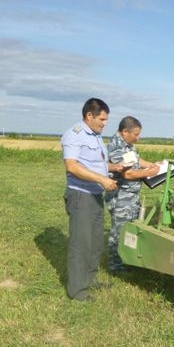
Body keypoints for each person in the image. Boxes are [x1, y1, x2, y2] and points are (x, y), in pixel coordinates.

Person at [61, 98, 126, 302]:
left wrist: (114, 168)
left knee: (95, 242)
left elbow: (96, 163)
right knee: (81, 244)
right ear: (89, 115)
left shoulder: (96, 136)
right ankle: (77, 291)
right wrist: (101, 179)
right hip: (81, 195)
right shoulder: (75, 134)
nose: (105, 123)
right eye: (102, 119)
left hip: (95, 195)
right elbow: (71, 166)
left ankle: (89, 280)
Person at [105, 116, 162, 273]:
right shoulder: (117, 147)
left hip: (130, 197)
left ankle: (127, 260)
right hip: (121, 197)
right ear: (125, 132)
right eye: (136, 134)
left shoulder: (127, 144)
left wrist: (152, 165)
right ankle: (115, 267)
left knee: (130, 230)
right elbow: (127, 174)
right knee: (119, 232)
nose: (138, 137)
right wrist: (149, 172)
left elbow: (135, 160)